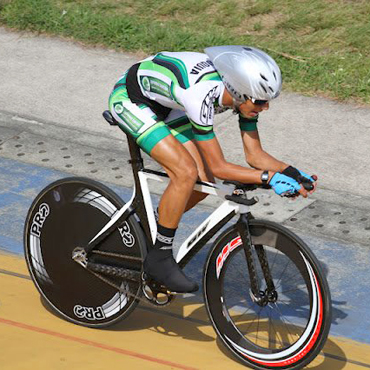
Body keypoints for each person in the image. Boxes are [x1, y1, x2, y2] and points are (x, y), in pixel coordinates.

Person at [108, 45, 316, 293]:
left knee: (202, 183)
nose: (265, 107)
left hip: (169, 102)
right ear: (240, 92)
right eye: (260, 102)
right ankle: (159, 257)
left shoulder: (243, 97)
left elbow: (255, 155)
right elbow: (221, 168)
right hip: (131, 100)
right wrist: (269, 178)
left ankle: (154, 227)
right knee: (185, 173)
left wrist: (292, 173)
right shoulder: (202, 95)